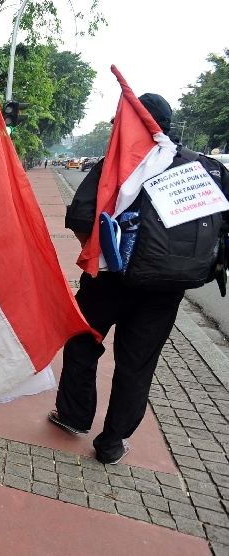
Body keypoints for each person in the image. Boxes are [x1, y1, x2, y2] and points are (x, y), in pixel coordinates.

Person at [48, 94, 229, 464]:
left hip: (108, 284)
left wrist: (103, 254)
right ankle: (112, 443)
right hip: (166, 292)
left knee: (83, 345)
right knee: (137, 366)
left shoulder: (117, 167)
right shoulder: (206, 170)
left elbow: (81, 217)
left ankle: (73, 416)